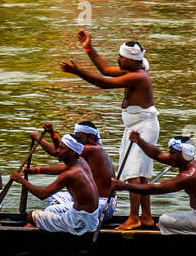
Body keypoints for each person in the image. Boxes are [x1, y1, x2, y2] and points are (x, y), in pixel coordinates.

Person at [61, 30, 157, 230]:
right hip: (135, 126)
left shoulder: (138, 76)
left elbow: (104, 83)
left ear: (132, 60)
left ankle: (134, 218)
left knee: (134, 173)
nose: (118, 59)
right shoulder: (132, 71)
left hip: (142, 128)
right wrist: (88, 47)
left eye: (121, 57)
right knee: (140, 174)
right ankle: (146, 217)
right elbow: (104, 70)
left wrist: (78, 72)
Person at [114, 134, 196, 235]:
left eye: (172, 152)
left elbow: (156, 189)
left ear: (184, 153)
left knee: (164, 220)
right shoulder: (194, 161)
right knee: (171, 218)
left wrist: (124, 186)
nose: (169, 156)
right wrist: (140, 141)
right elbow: (158, 154)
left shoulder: (189, 175)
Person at [17, 134, 103, 236]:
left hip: (80, 222)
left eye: (61, 148)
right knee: (50, 209)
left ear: (71, 152)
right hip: (90, 217)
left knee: (31, 216)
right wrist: (36, 170)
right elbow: (60, 167)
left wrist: (20, 180)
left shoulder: (70, 174)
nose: (57, 151)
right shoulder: (81, 161)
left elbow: (42, 194)